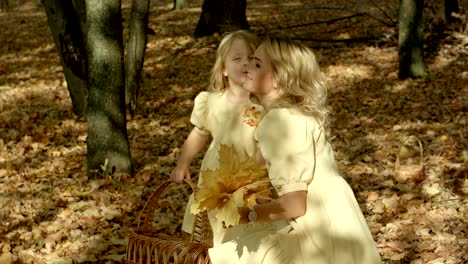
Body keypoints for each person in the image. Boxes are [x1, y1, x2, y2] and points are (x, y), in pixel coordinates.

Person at [208, 36, 382, 263]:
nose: (247, 67)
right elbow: (254, 169)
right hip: (338, 218)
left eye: (257, 64)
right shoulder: (291, 114)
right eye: (250, 60)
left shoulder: (280, 121)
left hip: (314, 228)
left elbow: (295, 204)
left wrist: (246, 215)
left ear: (280, 79)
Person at [169, 30, 266, 242]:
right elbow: (198, 134)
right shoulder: (211, 102)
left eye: (251, 59)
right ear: (223, 68)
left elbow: (269, 148)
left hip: (249, 183)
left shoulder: (263, 106)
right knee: (207, 237)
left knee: (245, 240)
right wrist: (183, 164)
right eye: (237, 58)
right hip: (214, 182)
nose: (244, 64)